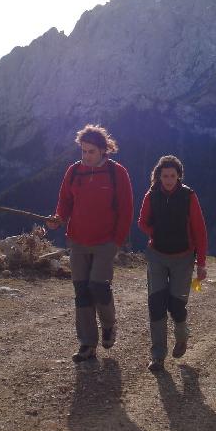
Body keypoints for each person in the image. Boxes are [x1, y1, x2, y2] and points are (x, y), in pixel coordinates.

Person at [46, 124, 134, 363]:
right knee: (81, 291)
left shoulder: (118, 173)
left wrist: (117, 241)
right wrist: (59, 218)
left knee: (98, 286)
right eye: (83, 151)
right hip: (78, 241)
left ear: (104, 151)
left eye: (91, 151)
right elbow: (65, 202)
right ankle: (87, 344)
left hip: (106, 242)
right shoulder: (74, 172)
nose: (86, 156)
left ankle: (109, 325)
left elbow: (126, 210)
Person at [137, 155, 208, 372]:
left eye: (172, 176)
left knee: (177, 304)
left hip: (183, 258)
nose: (168, 180)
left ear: (179, 177)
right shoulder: (151, 195)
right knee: (156, 304)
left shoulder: (188, 196)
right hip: (157, 255)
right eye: (164, 176)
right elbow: (142, 222)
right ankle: (158, 355)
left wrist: (201, 263)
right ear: (158, 176)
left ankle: (181, 334)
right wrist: (155, 233)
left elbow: (200, 230)